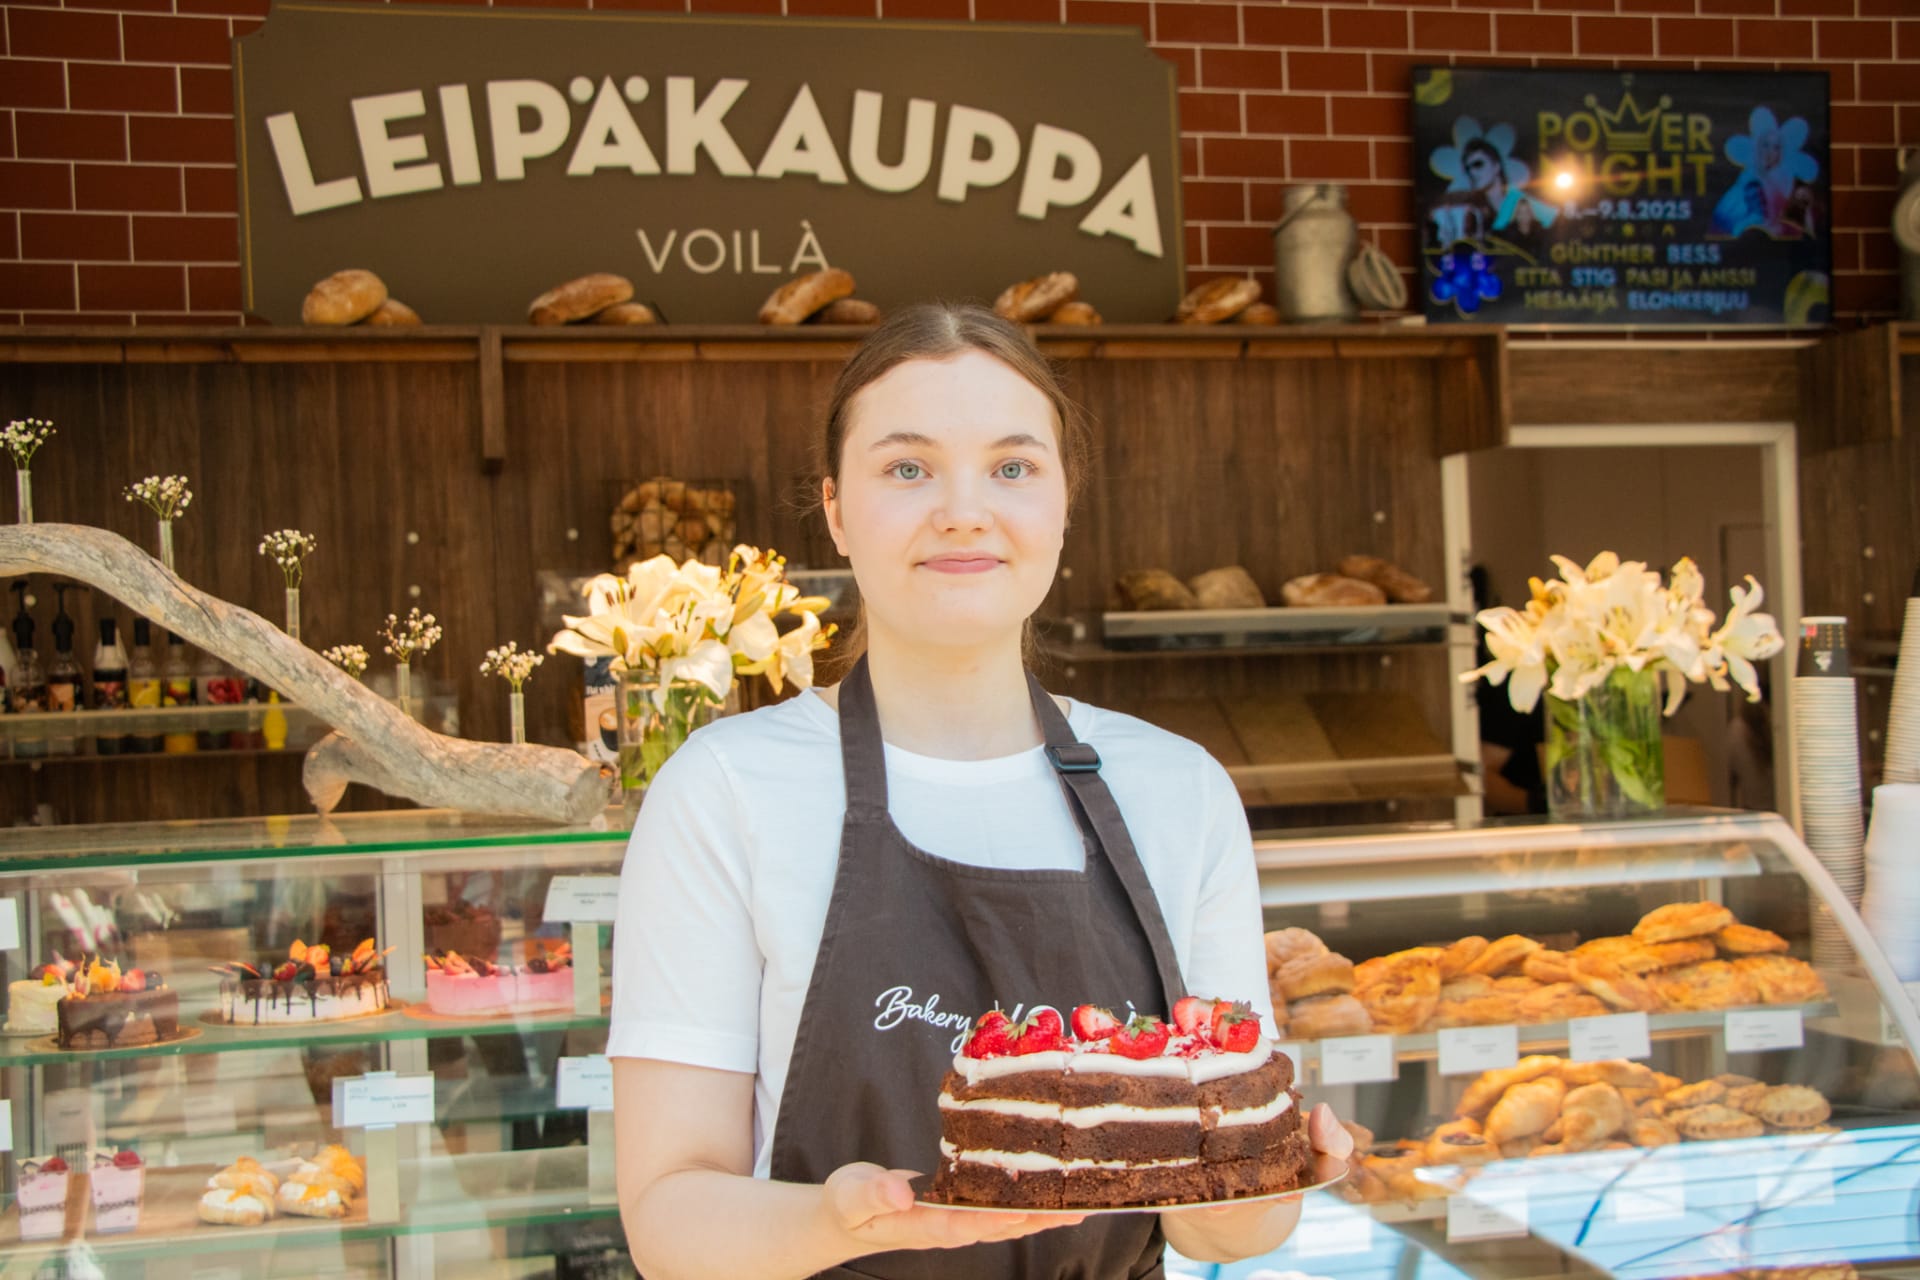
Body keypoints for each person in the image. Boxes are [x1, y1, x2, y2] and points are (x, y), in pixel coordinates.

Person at [608, 301, 1352, 1280]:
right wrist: (843, 1220)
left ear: (1062, 501)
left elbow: (1218, 1226)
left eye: (1012, 466)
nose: (965, 508)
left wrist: (1273, 1178)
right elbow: (668, 1216)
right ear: (836, 508)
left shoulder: (1181, 791)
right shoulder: (724, 789)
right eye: (907, 467)